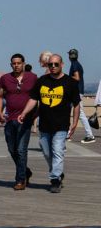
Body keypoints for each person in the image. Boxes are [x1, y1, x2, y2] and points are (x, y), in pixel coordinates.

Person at [31, 53, 80, 192]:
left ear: (62, 65)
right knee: (47, 153)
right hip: (45, 125)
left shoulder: (70, 82)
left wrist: (75, 122)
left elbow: (76, 104)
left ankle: (54, 180)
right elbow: (34, 100)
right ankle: (58, 173)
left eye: (56, 64)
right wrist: (27, 115)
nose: (52, 66)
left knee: (58, 151)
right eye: (50, 64)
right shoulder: (41, 81)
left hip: (61, 125)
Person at [0, 54, 38, 189]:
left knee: (21, 150)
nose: (16, 65)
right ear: (11, 65)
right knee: (12, 149)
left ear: (23, 64)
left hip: (25, 119)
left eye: (19, 63)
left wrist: (34, 115)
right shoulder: (5, 79)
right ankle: (25, 171)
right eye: (14, 63)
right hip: (10, 118)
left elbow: (37, 97)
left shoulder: (32, 78)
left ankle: (20, 180)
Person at [67, 49, 96, 143]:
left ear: (69, 56)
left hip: (76, 92)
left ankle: (90, 135)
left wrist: (66, 77)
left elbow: (77, 78)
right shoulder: (77, 64)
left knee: (80, 113)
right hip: (77, 91)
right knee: (69, 111)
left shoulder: (74, 64)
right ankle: (68, 134)